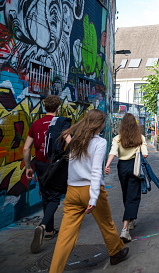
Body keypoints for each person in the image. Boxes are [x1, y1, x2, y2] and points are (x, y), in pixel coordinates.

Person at [49, 109, 129, 272]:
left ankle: (54, 270)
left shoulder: (75, 140)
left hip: (72, 191)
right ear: (100, 124)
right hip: (91, 190)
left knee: (65, 236)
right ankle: (115, 253)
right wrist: (92, 198)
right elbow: (95, 172)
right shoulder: (99, 143)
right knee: (106, 223)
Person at [23, 95, 64, 253]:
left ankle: (49, 231)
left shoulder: (36, 123)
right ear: (58, 107)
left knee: (46, 195)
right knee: (54, 197)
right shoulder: (60, 123)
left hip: (39, 165)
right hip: (55, 165)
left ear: (44, 107)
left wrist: (28, 167)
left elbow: (26, 148)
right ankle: (43, 225)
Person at [105, 113, 148, 243]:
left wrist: (107, 165)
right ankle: (125, 228)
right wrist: (138, 149)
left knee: (126, 194)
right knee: (133, 196)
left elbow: (112, 152)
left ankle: (130, 221)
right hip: (134, 167)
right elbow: (145, 155)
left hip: (122, 167)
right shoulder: (140, 138)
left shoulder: (117, 138)